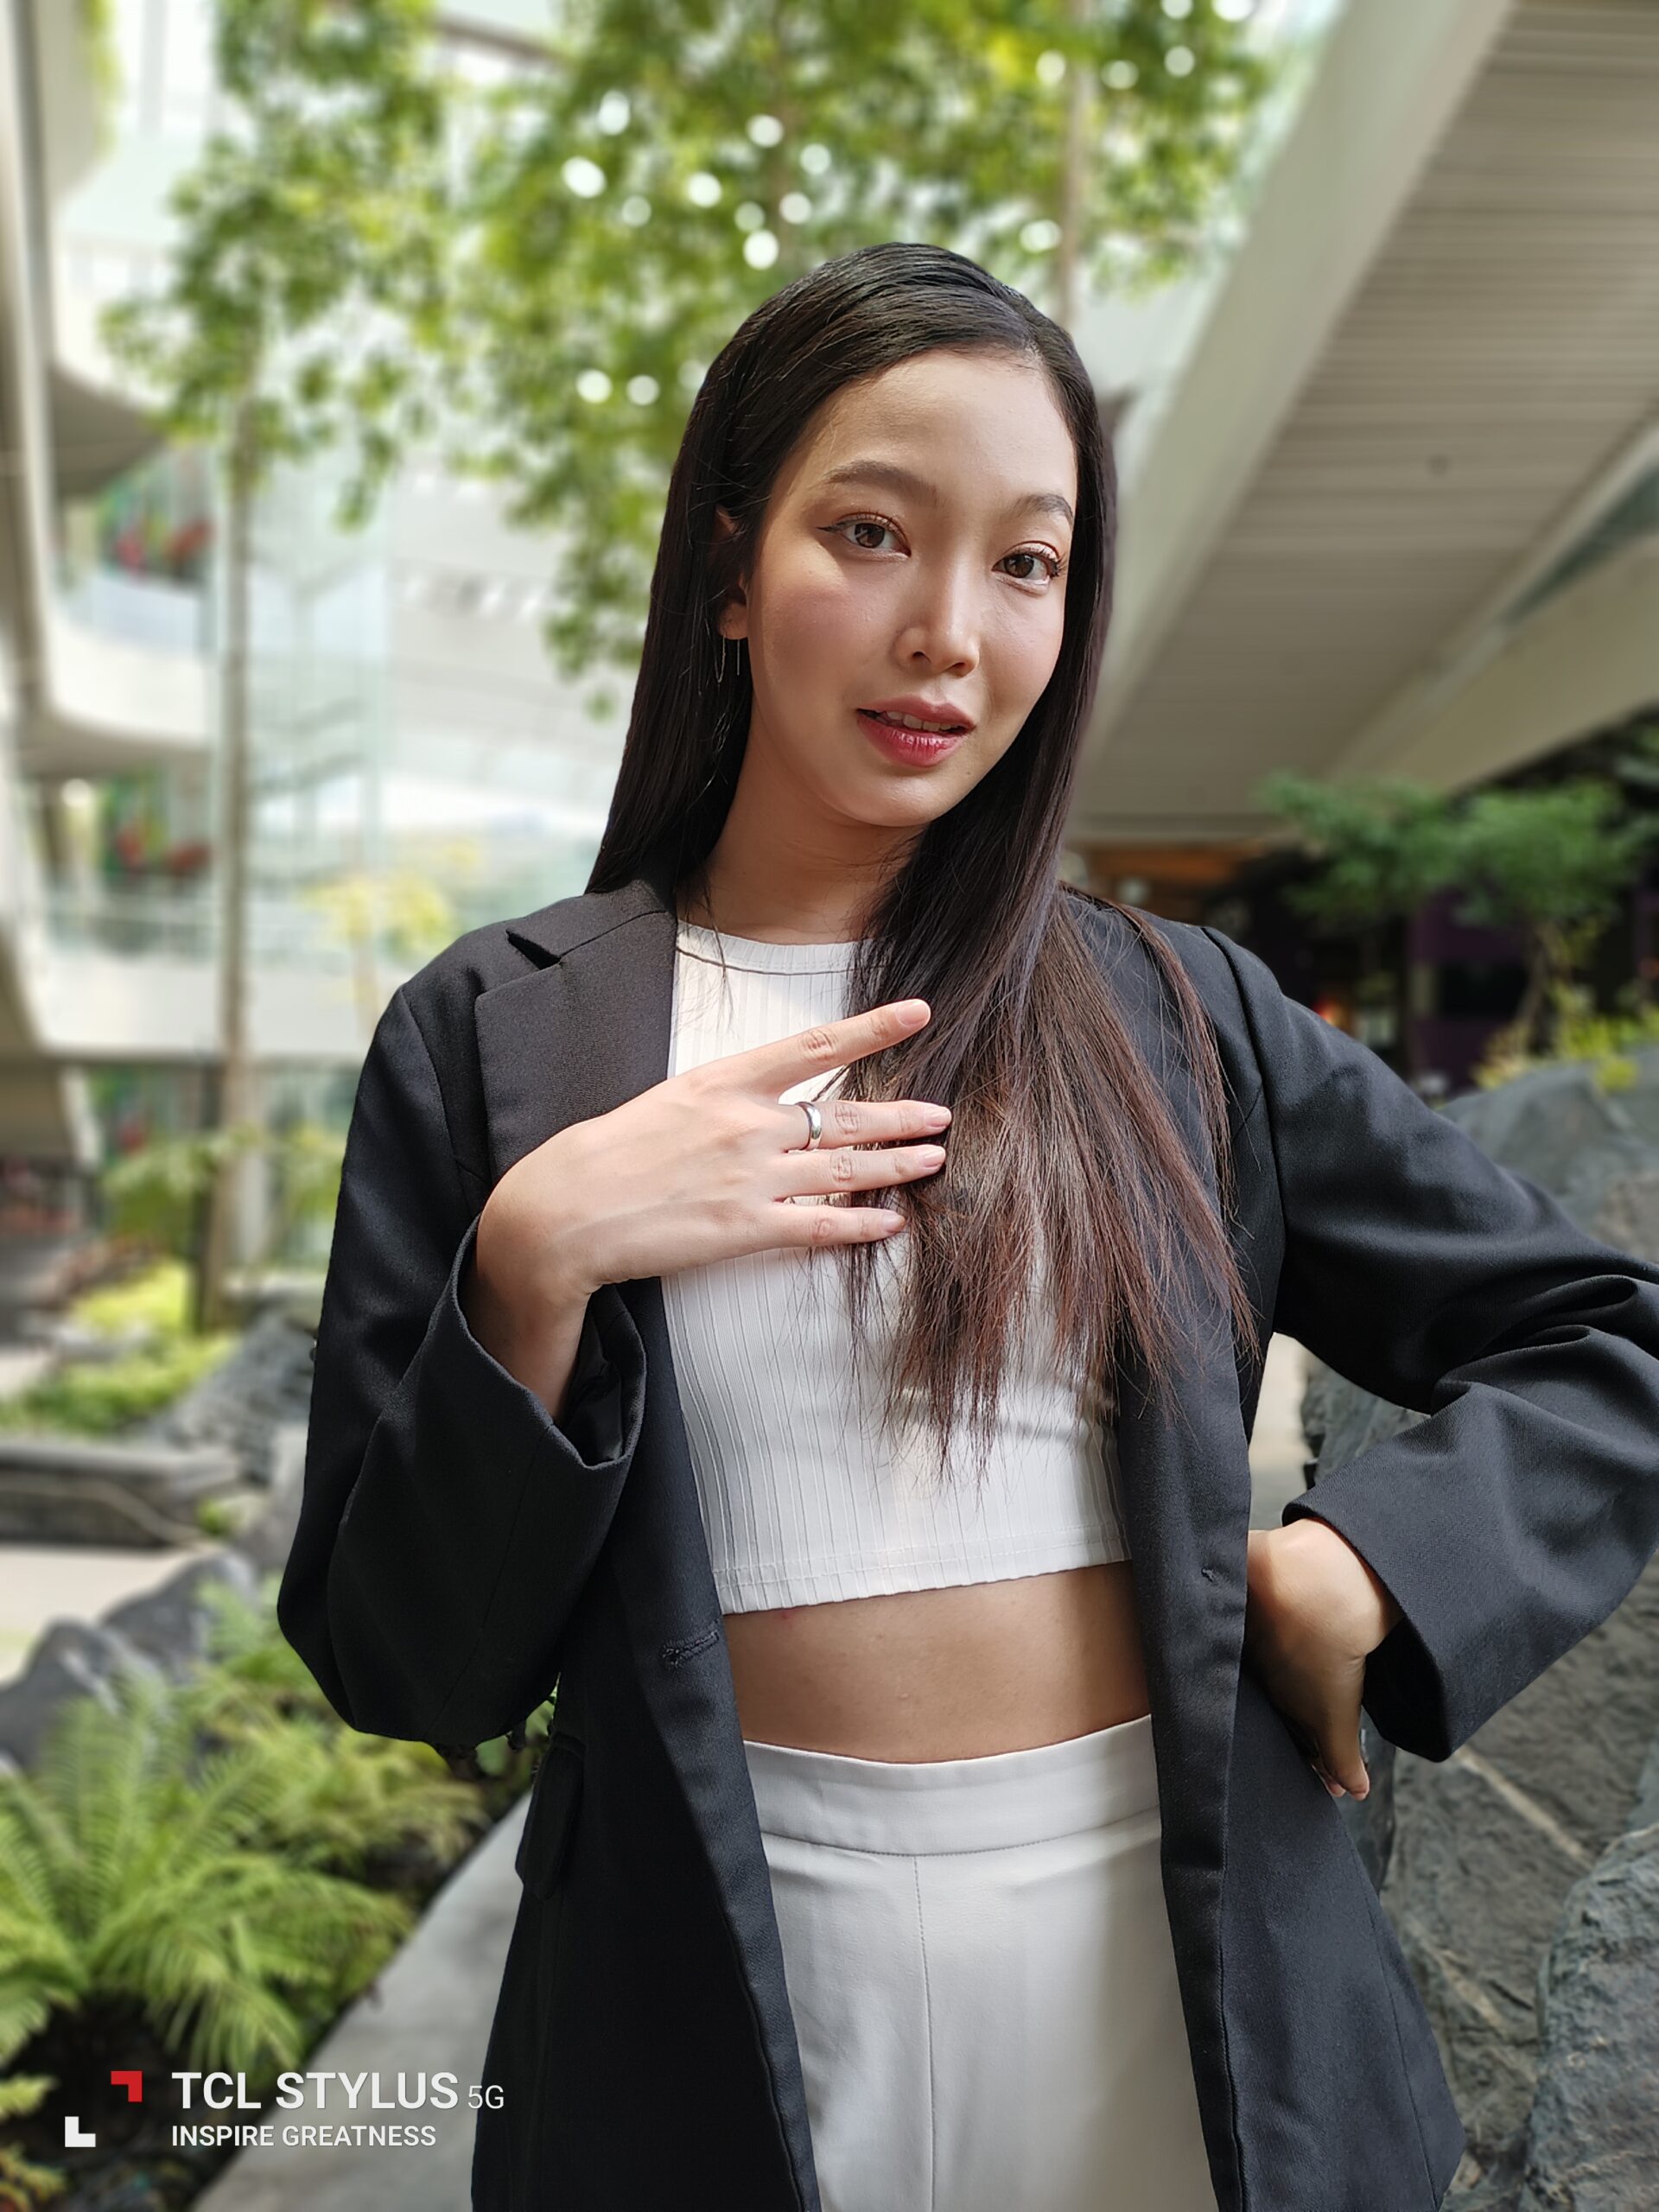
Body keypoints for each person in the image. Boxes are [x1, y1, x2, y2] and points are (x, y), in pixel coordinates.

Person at [277, 243, 1659, 2212]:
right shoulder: (495, 1036)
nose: (948, 633)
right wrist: (531, 1269)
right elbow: (410, 1669)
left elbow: (1607, 1334)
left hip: (1166, 1971)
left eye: (1026, 562)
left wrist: (1373, 1565)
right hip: (710, 1998)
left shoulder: (1177, 1017)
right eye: (872, 532)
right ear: (731, 569)